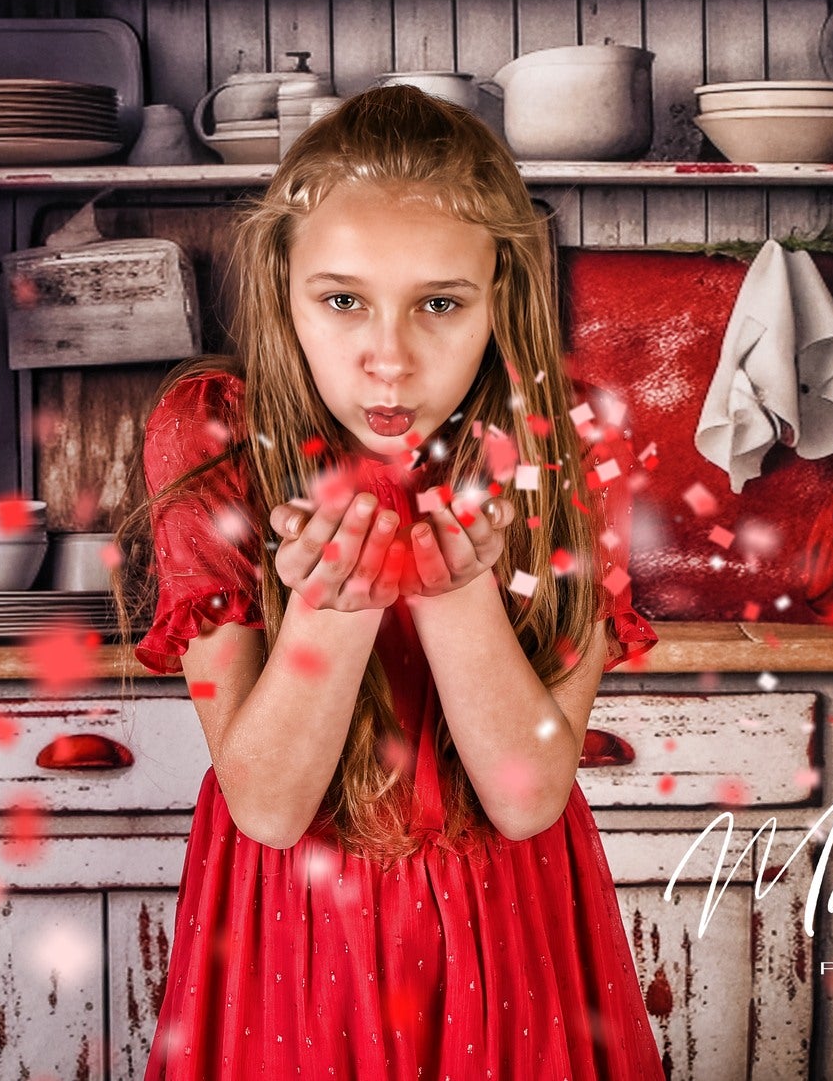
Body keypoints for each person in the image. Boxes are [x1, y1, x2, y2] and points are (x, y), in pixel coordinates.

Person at [112, 83, 665, 1078]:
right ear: (283, 284)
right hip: (292, 940)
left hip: (511, 928)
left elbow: (527, 792)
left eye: (440, 304)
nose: (388, 359)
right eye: (341, 299)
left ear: (500, 292)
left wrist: (456, 596)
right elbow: (270, 806)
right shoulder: (214, 439)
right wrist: (331, 603)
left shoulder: (569, 445)